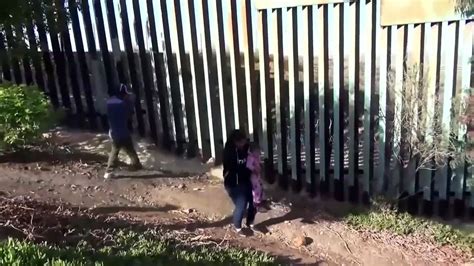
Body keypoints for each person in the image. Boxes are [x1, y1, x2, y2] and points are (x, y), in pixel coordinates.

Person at [104, 84, 142, 179]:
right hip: (122, 132)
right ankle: (109, 171)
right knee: (115, 151)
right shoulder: (124, 103)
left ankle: (137, 165)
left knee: (129, 148)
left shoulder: (109, 102)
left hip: (113, 131)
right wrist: (131, 99)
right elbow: (130, 112)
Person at [223, 130, 256, 234]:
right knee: (241, 204)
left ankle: (250, 222)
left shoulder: (246, 147)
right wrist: (247, 169)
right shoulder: (229, 152)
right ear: (235, 142)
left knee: (253, 202)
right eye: (241, 142)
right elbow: (232, 168)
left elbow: (253, 148)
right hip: (234, 183)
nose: (244, 144)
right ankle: (237, 226)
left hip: (246, 180)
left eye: (244, 142)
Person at [246, 143, 264, 209]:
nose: (259, 152)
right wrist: (254, 170)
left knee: (260, 186)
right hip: (253, 176)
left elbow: (258, 164)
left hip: (257, 176)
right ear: (252, 151)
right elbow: (248, 165)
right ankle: (256, 201)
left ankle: (259, 199)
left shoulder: (256, 157)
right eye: (258, 151)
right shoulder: (250, 157)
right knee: (256, 188)